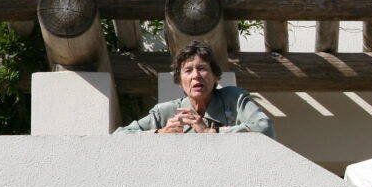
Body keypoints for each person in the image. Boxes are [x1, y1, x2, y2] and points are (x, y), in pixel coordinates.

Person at [114, 41, 275, 137]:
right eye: (188, 70)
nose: (196, 75)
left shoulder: (234, 99)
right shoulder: (166, 112)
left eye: (202, 68)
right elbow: (119, 135)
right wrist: (160, 134)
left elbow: (265, 127)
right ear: (179, 81)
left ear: (215, 76)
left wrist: (212, 133)